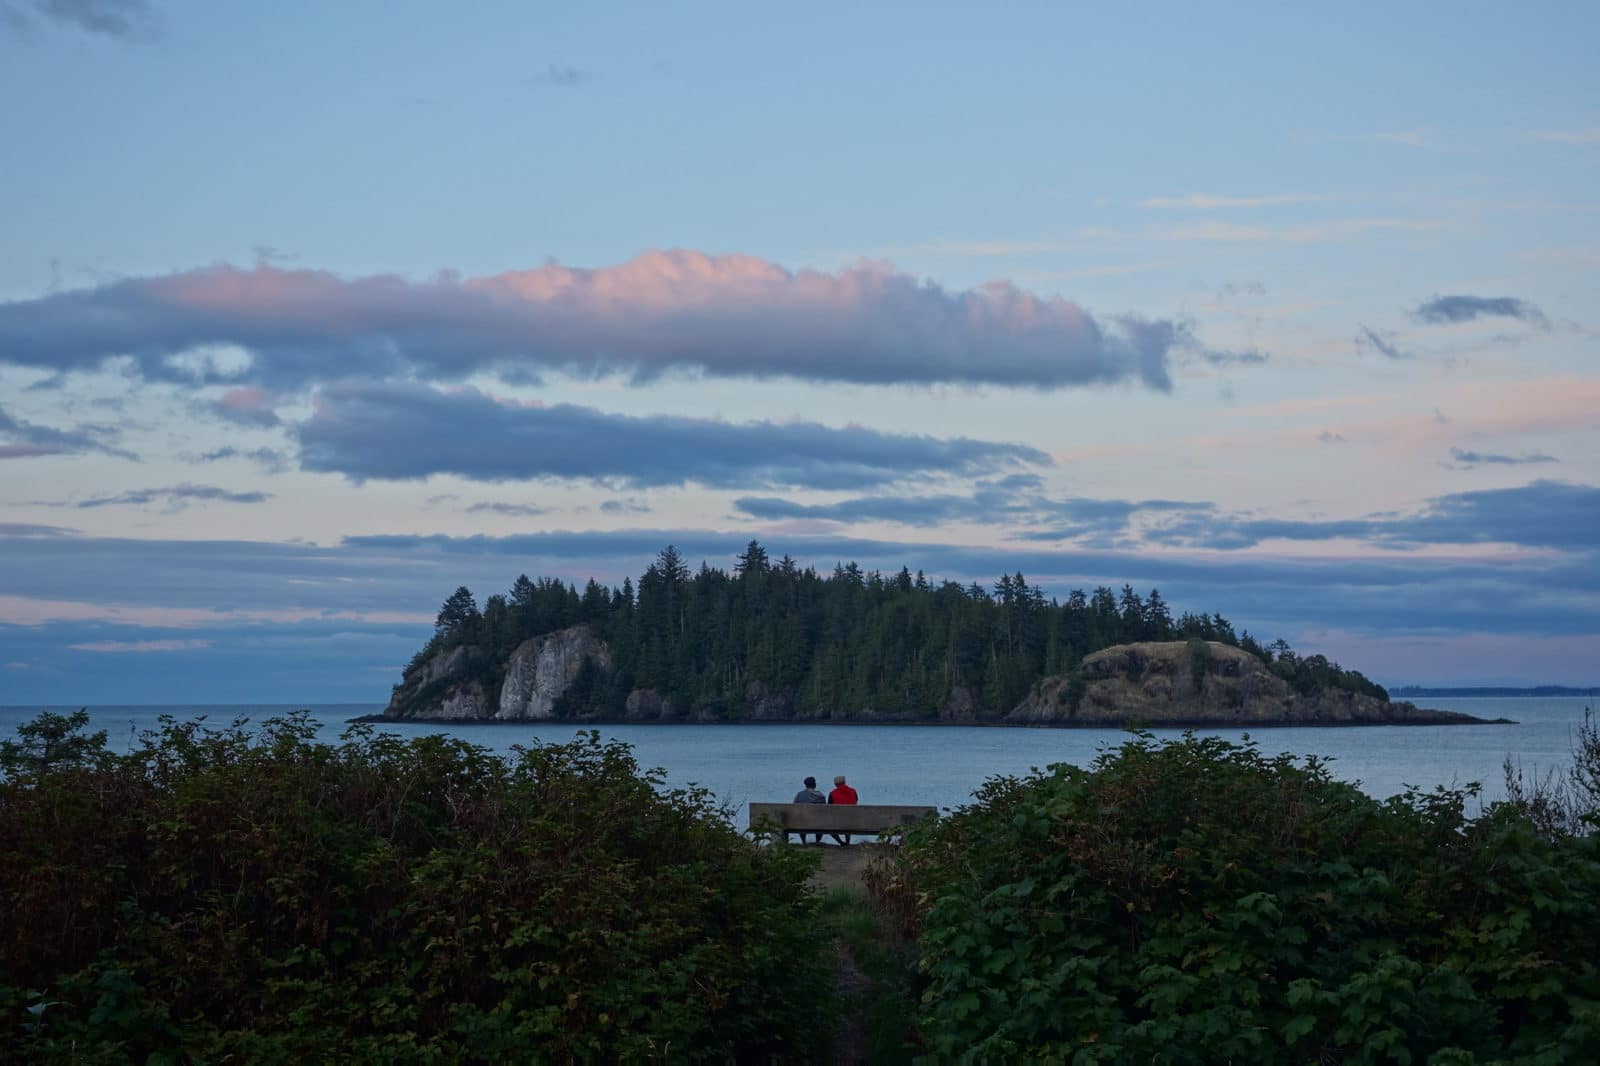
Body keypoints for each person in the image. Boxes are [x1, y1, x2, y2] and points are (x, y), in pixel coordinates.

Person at [790, 776, 825, 844]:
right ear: (814, 785)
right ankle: (817, 841)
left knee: (801, 818)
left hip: (802, 822)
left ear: (805, 785)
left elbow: (793, 807)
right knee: (820, 818)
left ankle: (803, 841)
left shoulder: (799, 795)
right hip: (818, 823)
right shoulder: (821, 796)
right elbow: (824, 810)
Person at [828, 774, 858, 845]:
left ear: (835, 784)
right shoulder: (853, 791)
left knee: (830, 825)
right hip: (852, 820)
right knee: (847, 818)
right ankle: (847, 842)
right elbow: (856, 801)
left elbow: (829, 808)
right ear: (844, 782)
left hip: (837, 821)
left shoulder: (832, 794)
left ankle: (841, 843)